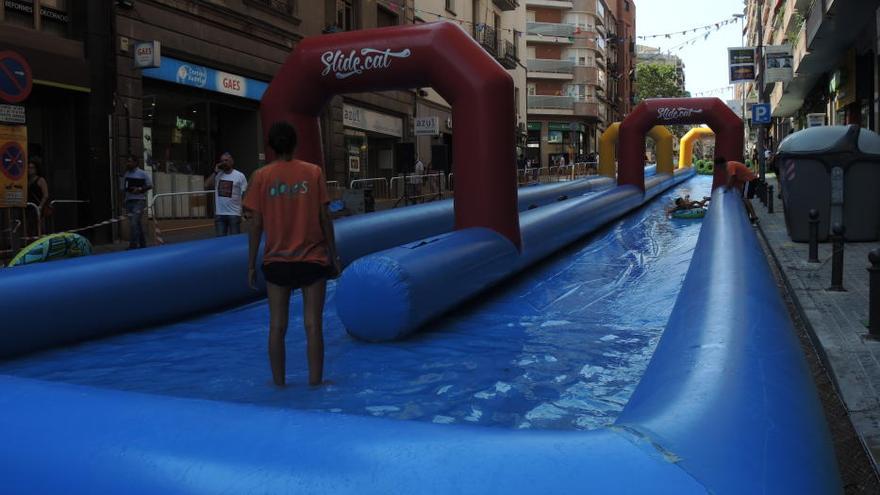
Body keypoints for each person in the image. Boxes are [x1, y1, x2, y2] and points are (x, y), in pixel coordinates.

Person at [244, 121, 341, 387]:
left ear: (271, 147)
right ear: (296, 144)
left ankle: (278, 384)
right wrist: (334, 255)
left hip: (276, 261)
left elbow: (255, 224)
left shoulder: (260, 177)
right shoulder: (313, 173)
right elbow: (325, 218)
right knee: (313, 325)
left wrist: (251, 264)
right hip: (312, 258)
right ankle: (315, 383)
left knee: (277, 326)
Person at [205, 152, 248, 236]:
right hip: (220, 214)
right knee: (221, 242)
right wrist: (215, 172)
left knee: (235, 240)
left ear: (232, 161)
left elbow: (244, 194)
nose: (224, 162)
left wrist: (245, 211)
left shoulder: (240, 175)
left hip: (234, 214)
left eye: (226, 160)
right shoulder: (218, 175)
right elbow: (206, 185)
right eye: (222, 161)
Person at [122, 155, 152, 249]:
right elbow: (123, 188)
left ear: (135, 163)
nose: (128, 163)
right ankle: (143, 244)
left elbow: (150, 185)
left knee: (134, 223)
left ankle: (133, 245)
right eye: (127, 161)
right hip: (129, 201)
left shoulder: (142, 173)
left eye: (130, 161)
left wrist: (139, 189)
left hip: (139, 201)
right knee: (136, 223)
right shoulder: (126, 174)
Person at [717, 156, 759, 223]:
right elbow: (731, 178)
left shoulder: (729, 166)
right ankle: (748, 216)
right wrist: (728, 186)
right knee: (744, 198)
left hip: (749, 180)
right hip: (747, 180)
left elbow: (732, 177)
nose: (718, 168)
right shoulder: (729, 166)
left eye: (718, 166)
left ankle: (754, 217)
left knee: (745, 198)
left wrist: (727, 188)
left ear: (720, 164)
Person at [26, 157, 49, 236]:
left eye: (32, 168)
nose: (30, 170)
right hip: (28, 207)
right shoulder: (27, 180)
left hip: (37, 207)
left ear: (36, 169)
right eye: (28, 168)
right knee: (29, 227)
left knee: (38, 226)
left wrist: (40, 206)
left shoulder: (40, 180)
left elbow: (45, 195)